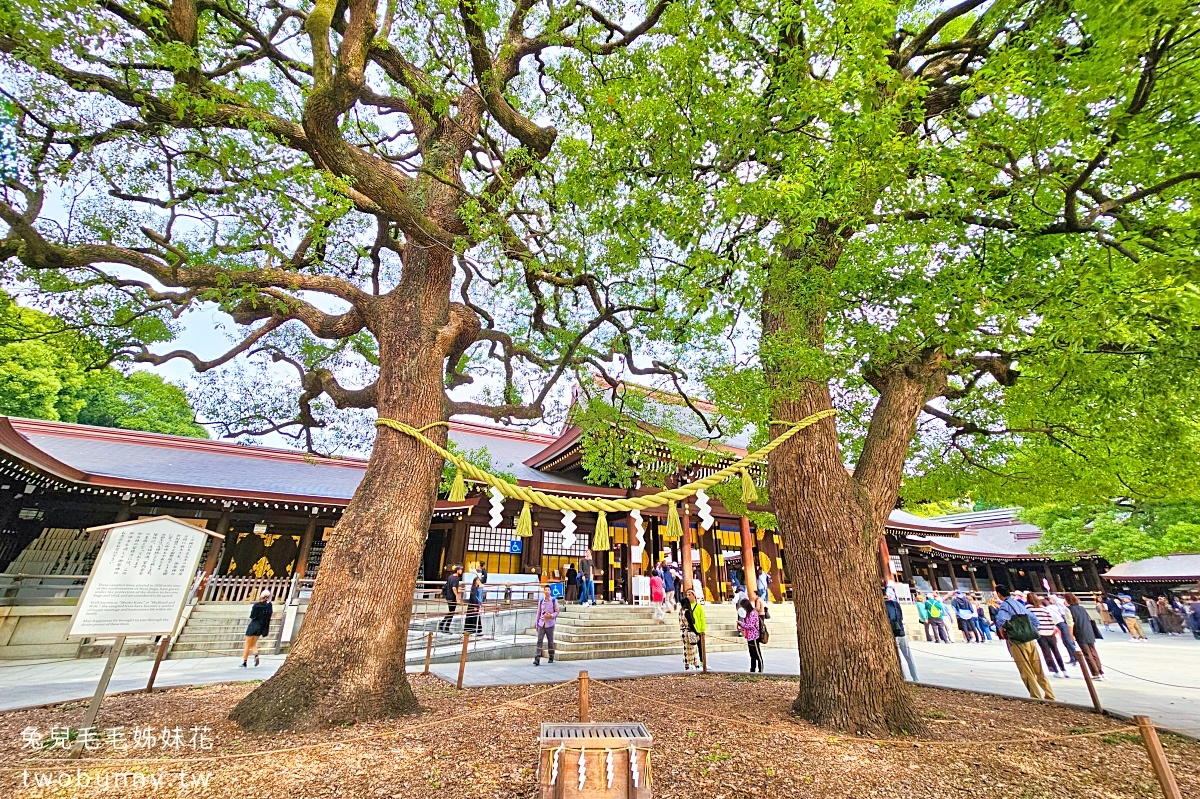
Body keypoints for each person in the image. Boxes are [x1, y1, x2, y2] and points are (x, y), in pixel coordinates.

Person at [994, 585, 1055, 701]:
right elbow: (1035, 620)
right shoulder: (1019, 604)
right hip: (1030, 639)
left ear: (999, 594)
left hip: (1018, 639)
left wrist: (1006, 630)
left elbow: (1001, 621)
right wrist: (1030, 630)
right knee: (1038, 668)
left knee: (1025, 669)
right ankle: (1049, 694)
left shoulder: (1004, 606)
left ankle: (1035, 695)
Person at [1065, 593, 1104, 680]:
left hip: (1080, 631)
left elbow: (1070, 624)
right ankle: (1100, 671)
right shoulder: (1082, 608)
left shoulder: (1069, 609)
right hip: (1089, 630)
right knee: (1093, 651)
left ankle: (1095, 673)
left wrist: (1071, 635)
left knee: (1087, 653)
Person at [1030, 596, 1068, 678]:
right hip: (1050, 631)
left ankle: (1054, 670)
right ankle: (1063, 669)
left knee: (1046, 652)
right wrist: (1053, 628)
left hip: (1041, 632)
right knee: (1056, 650)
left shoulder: (1030, 609)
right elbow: (1050, 620)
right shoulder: (1044, 609)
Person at [884, 587, 917, 680]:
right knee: (909, 657)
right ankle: (915, 677)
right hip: (901, 631)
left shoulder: (884, 605)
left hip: (893, 634)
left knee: (897, 657)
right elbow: (900, 617)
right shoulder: (896, 604)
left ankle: (904, 677)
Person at [241, 589, 272, 668]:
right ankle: (256, 655)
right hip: (261, 626)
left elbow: (252, 616)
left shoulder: (256, 605)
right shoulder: (269, 605)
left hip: (254, 624)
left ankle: (244, 662)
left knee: (247, 645)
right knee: (253, 644)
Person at [1046, 594, 1078, 665]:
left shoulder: (1057, 603)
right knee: (1065, 641)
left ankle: (1076, 655)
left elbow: (1063, 611)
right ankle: (1073, 657)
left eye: (1050, 599)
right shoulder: (1054, 605)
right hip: (1060, 623)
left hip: (1062, 622)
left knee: (1067, 641)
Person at [533, 584, 559, 665]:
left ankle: (551, 655)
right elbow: (538, 612)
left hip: (550, 623)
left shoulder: (554, 600)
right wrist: (536, 623)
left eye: (548, 590)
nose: (547, 591)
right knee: (539, 640)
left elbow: (557, 611)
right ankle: (537, 657)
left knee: (550, 641)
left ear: (550, 591)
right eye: (545, 590)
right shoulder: (541, 601)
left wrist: (551, 616)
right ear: (544, 591)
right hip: (542, 623)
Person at [680, 587, 704, 671]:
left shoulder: (681, 611)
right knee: (692, 649)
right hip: (689, 631)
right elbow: (691, 623)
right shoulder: (687, 611)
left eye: (689, 594)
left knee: (686, 649)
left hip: (682, 631)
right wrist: (697, 633)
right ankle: (693, 664)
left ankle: (688, 665)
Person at [737, 598, 763, 673]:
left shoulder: (753, 613)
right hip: (749, 636)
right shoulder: (747, 614)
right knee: (752, 654)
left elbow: (751, 625)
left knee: (757, 653)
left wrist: (741, 624)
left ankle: (760, 668)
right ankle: (752, 669)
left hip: (754, 636)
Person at [438, 565, 463, 632]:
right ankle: (445, 626)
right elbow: (454, 588)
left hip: (448, 596)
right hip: (452, 597)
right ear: (457, 570)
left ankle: (443, 624)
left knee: (451, 612)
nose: (461, 571)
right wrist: (457, 596)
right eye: (460, 570)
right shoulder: (456, 578)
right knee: (451, 612)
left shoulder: (450, 577)